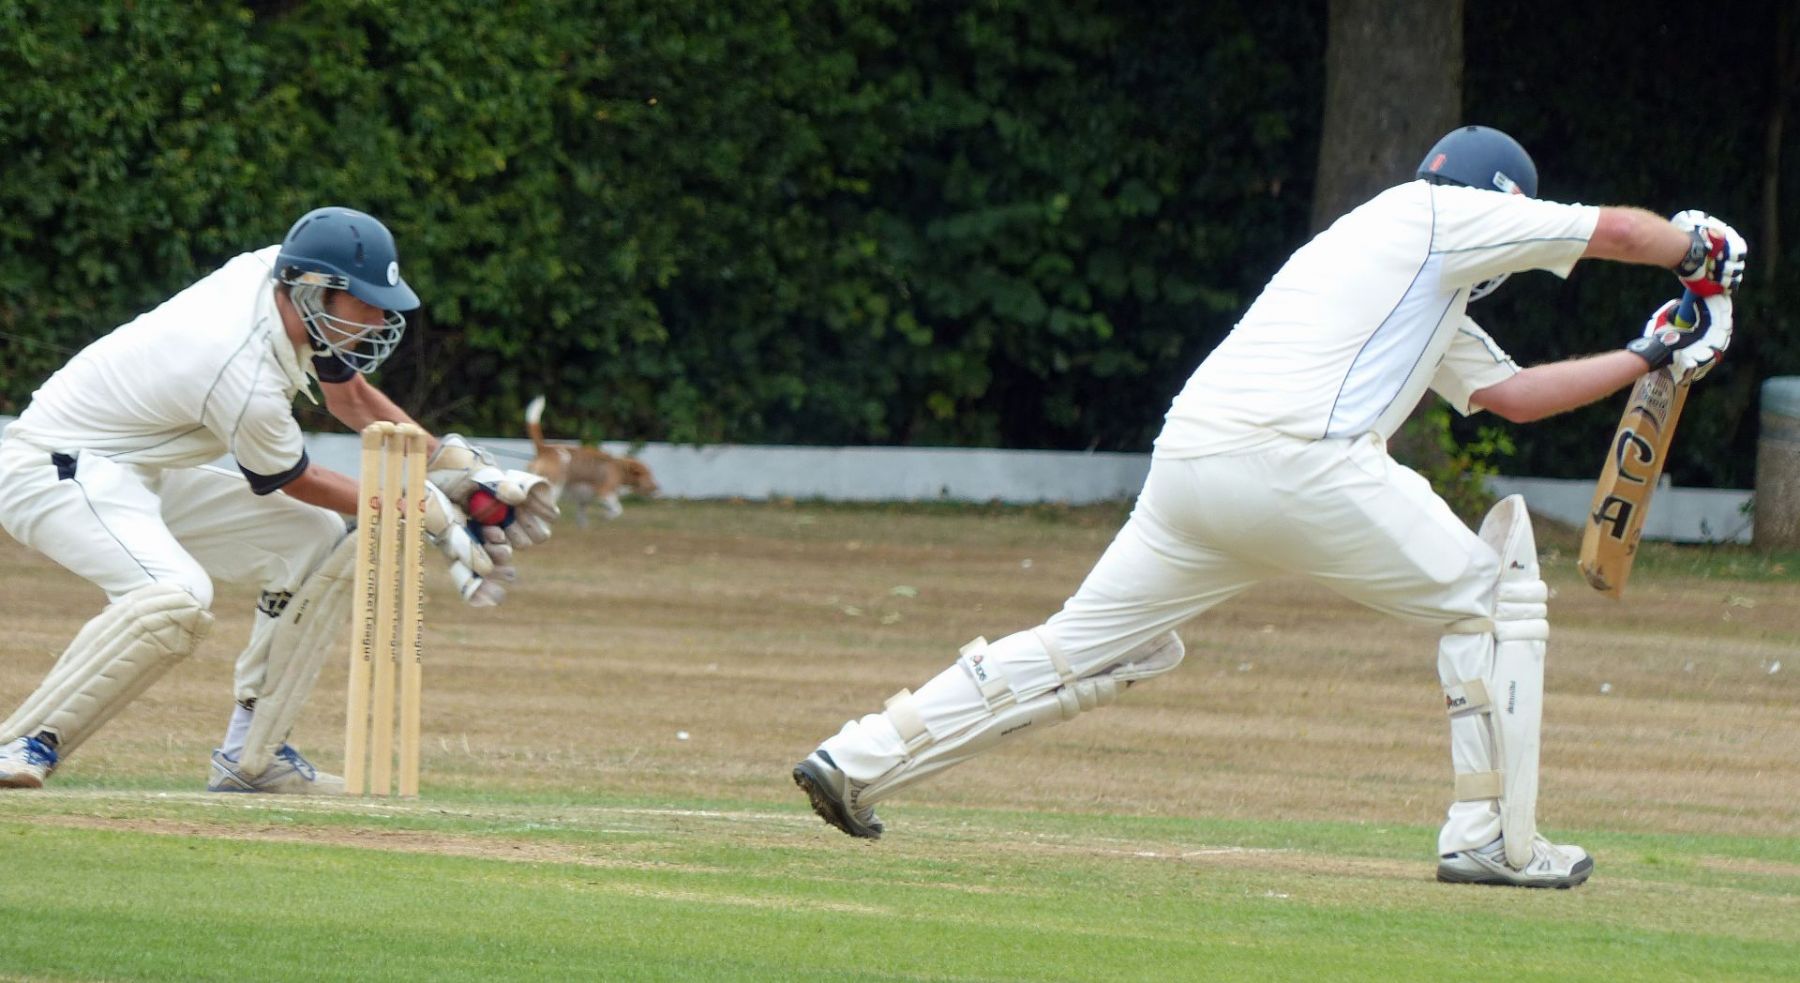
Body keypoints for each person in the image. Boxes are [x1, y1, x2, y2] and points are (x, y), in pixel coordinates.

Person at [791, 125, 1747, 888]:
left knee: (1084, 643)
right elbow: (1625, 236)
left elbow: (1516, 396)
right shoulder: (1440, 216)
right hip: (1302, 460)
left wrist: (1652, 352)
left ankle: (857, 756)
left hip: (1193, 464)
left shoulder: (1402, 271)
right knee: (1493, 598)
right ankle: (1490, 837)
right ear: (1500, 202)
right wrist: (1702, 252)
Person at [0, 206, 556, 793]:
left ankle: (253, 756)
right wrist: (415, 507)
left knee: (317, 540)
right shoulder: (238, 370)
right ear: (314, 291)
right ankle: (23, 742)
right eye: (365, 304)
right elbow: (296, 479)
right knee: (175, 599)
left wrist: (447, 464)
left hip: (139, 468)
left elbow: (350, 398)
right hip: (51, 470)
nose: (378, 319)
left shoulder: (284, 276)